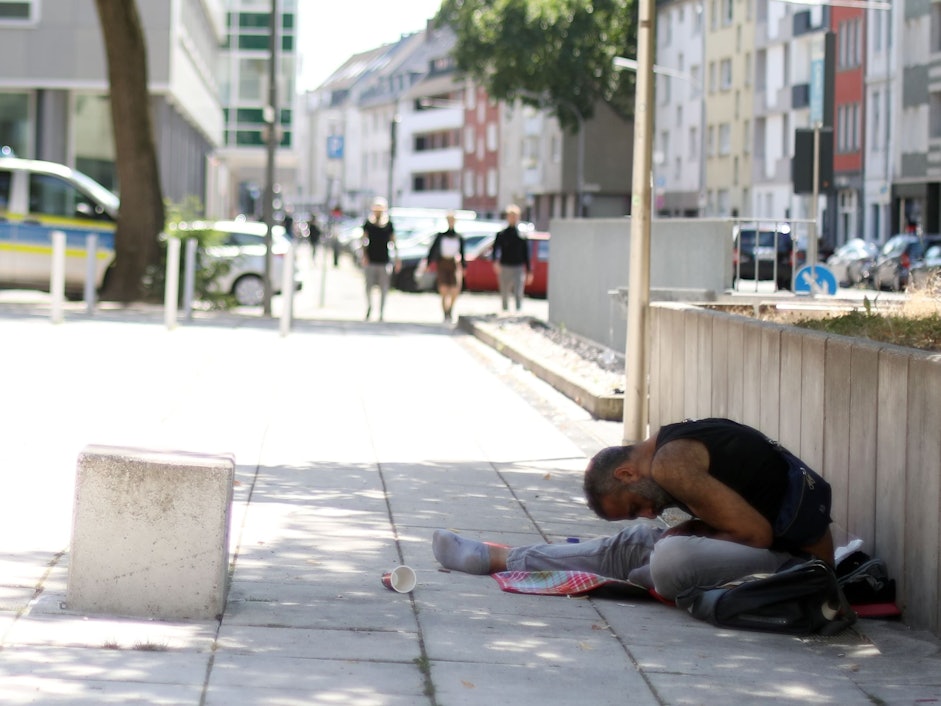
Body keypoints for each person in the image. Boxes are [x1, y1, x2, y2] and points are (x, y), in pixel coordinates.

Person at [433, 417, 834, 601]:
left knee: (668, 555)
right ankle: (500, 558)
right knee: (638, 542)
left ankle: (643, 578)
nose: (647, 512)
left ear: (626, 473)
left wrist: (690, 533)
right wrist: (692, 527)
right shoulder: (666, 444)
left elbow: (756, 535)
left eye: (635, 505)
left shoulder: (670, 463)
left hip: (796, 568)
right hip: (765, 547)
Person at [420, 212, 466, 322]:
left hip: (453, 264)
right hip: (442, 263)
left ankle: (451, 308)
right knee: (444, 289)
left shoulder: (458, 237)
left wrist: (464, 266)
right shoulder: (441, 236)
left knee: (454, 289)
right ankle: (445, 311)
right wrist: (428, 263)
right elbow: (432, 250)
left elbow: (462, 252)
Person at [360, 197, 398, 321]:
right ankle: (369, 307)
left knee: (384, 288)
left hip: (384, 260)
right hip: (371, 260)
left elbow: (393, 241)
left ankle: (381, 312)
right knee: (368, 287)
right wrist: (364, 255)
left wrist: (397, 257)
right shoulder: (368, 223)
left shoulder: (388, 224)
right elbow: (363, 240)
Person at [492, 204, 532, 312]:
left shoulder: (522, 235)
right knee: (504, 292)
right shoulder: (502, 234)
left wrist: (529, 270)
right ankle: (505, 312)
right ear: (507, 217)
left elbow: (526, 254)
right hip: (505, 266)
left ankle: (518, 313)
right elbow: (495, 250)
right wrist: (495, 262)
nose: (513, 218)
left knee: (518, 292)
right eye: (511, 216)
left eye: (515, 216)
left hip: (518, 267)